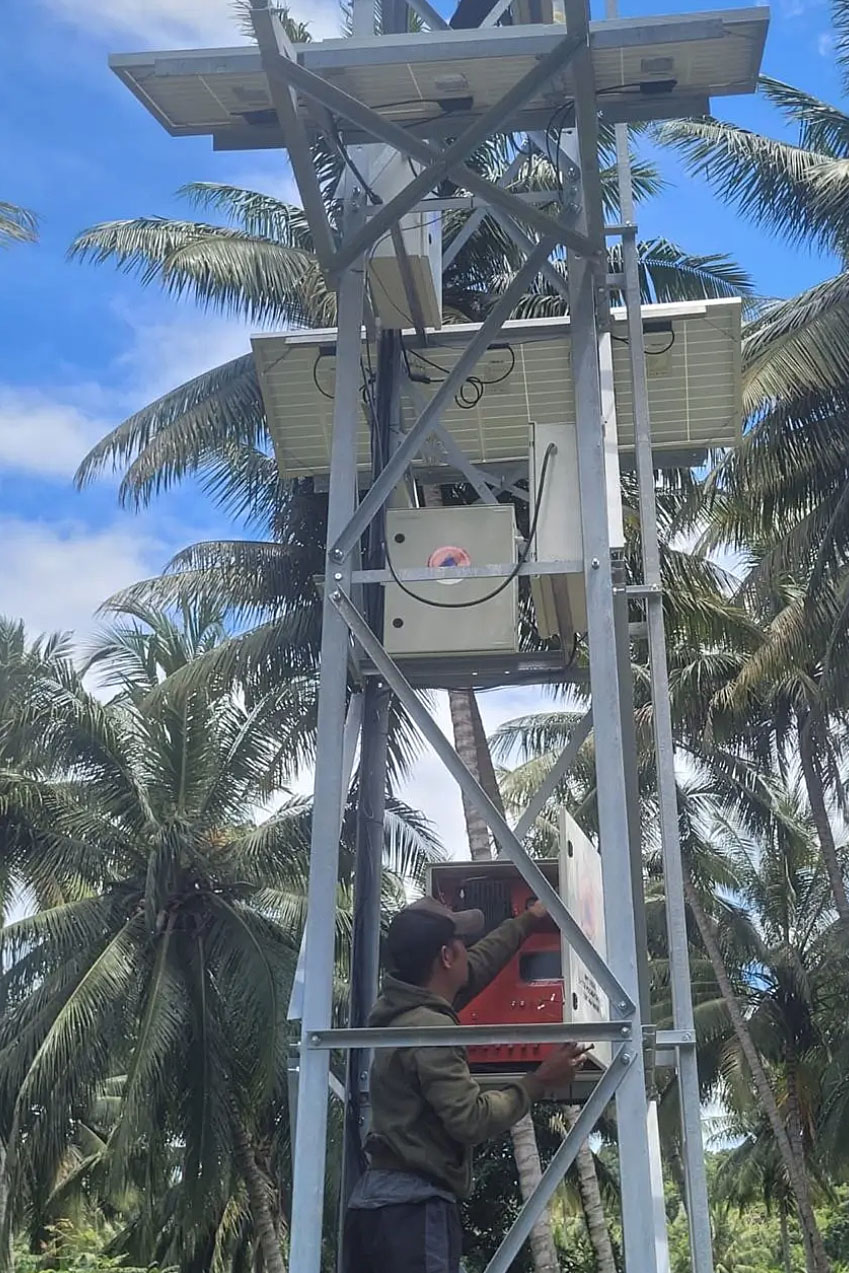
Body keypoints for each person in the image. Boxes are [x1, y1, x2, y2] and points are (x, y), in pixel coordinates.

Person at [344, 895, 591, 1273]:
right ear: (446, 956)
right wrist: (540, 1081)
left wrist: (529, 919)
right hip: (413, 1213)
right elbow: (470, 1120)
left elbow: (478, 965)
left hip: (380, 1204)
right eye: (462, 942)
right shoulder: (432, 1028)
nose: (468, 949)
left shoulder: (403, 1011)